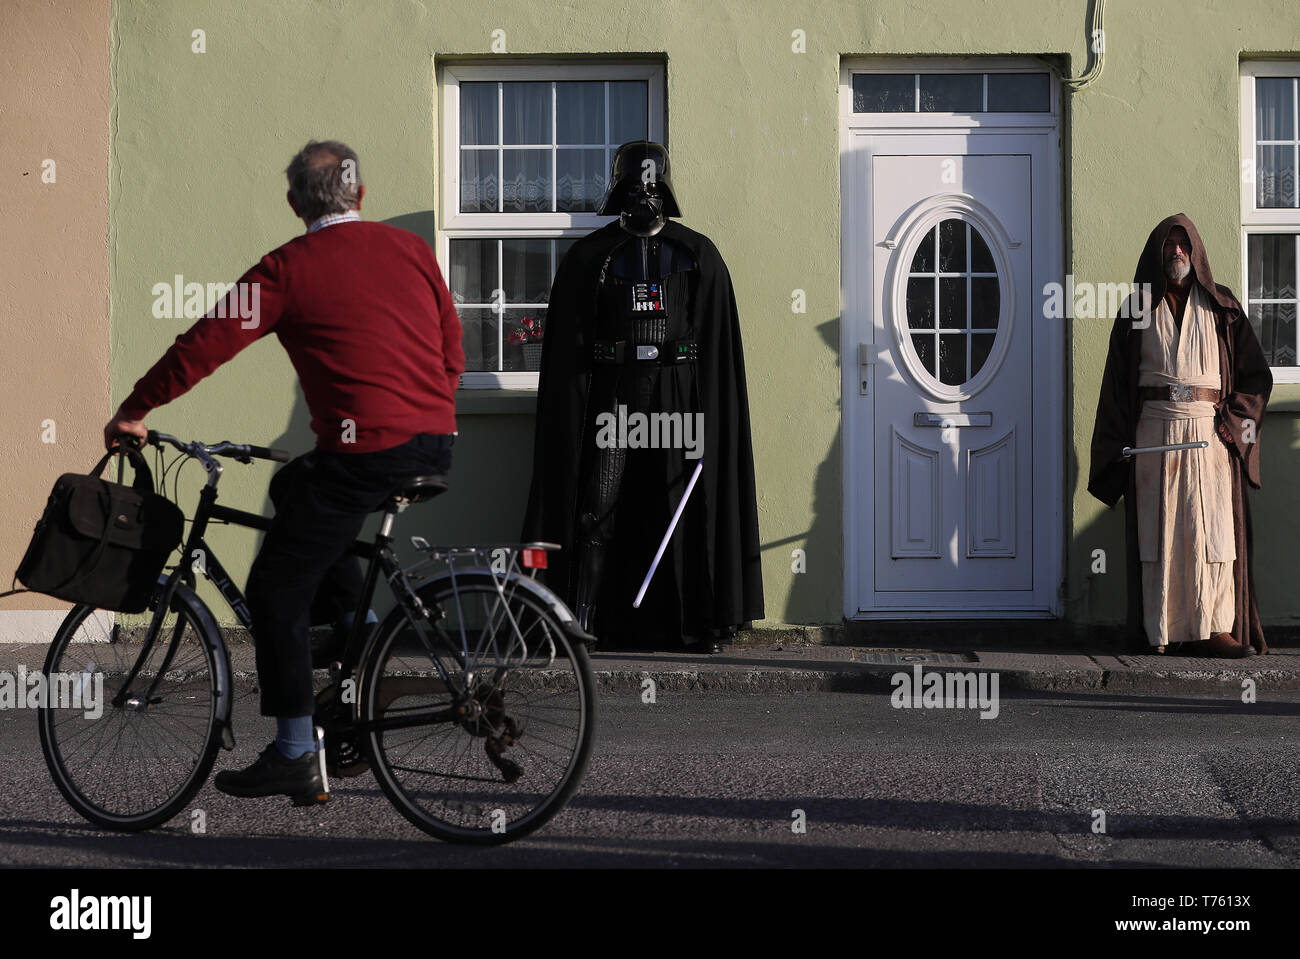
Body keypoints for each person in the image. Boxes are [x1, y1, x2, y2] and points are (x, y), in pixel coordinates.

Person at [102, 140, 464, 803]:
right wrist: (433, 407)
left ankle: (296, 750)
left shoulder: (287, 268)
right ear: (361, 194)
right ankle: (349, 652)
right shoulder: (411, 250)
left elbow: (207, 341)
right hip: (433, 438)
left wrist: (137, 406)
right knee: (295, 487)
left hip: (368, 451)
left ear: (294, 201)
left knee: (274, 587)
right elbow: (451, 341)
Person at [521, 142, 764, 655]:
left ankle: (697, 622)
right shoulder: (592, 258)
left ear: (665, 191)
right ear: (619, 193)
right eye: (634, 191)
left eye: (650, 191)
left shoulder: (697, 254)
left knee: (683, 500)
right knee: (598, 505)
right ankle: (578, 619)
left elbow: (714, 343)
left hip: (677, 395)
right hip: (616, 397)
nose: (643, 201)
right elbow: (572, 345)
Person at [1088, 214, 1271, 657]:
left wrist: (1234, 426)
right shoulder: (1136, 309)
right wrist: (1118, 449)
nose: (1176, 252)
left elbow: (1255, 378)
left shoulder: (1222, 308)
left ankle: (1215, 630)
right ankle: (1160, 630)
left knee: (1209, 531)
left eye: (1183, 245)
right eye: (1168, 245)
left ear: (1196, 252)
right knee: (1160, 532)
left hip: (1209, 433)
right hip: (1153, 432)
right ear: (1157, 253)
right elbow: (1115, 385)